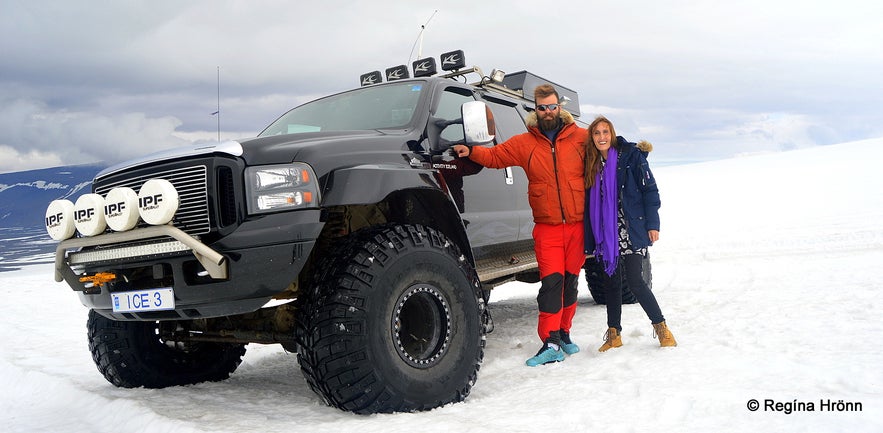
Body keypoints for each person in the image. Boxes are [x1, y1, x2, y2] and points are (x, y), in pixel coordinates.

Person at [452, 84, 586, 367]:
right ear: (535, 110)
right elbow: (496, 156)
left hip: (577, 226)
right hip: (548, 228)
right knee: (552, 283)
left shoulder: (580, 138)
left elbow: (605, 147)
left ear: (559, 108)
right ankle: (549, 342)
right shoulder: (524, 143)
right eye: (542, 108)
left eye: (552, 107)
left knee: (571, 282)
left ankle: (564, 334)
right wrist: (472, 151)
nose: (548, 112)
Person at [582, 116, 677, 351]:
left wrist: (652, 225)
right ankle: (614, 334)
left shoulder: (631, 156)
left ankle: (661, 327)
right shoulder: (591, 164)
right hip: (605, 231)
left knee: (635, 281)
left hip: (631, 227)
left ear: (612, 134)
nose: (602, 137)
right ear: (592, 138)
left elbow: (650, 191)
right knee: (610, 283)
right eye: (597, 133)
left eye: (605, 132)